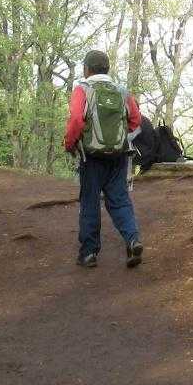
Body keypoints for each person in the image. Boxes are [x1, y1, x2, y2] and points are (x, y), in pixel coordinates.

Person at [63, 49, 145, 269]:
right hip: (118, 157)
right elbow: (136, 120)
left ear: (87, 69)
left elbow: (76, 120)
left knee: (90, 201)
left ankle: (89, 253)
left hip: (91, 157)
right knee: (120, 200)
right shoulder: (121, 91)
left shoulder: (83, 89)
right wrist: (118, 139)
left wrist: (69, 144)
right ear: (107, 69)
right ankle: (132, 240)